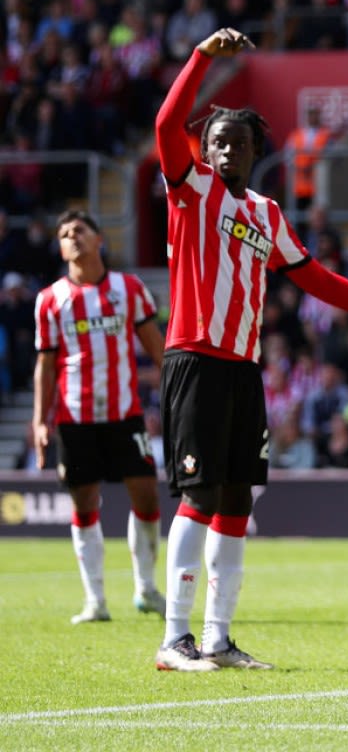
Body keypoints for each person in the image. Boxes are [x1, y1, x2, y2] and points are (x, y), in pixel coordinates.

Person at [153, 28, 348, 672]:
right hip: (194, 359)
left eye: (237, 143)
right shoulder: (189, 191)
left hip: (243, 369)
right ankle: (174, 639)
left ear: (254, 151)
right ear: (204, 151)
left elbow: (317, 280)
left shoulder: (267, 214)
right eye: (216, 142)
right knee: (201, 495)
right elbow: (164, 125)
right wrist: (203, 60)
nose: (226, 150)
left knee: (238, 500)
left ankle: (217, 638)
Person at [32, 210, 167, 625]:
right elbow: (47, 365)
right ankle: (96, 601)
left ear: (99, 239)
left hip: (125, 414)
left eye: (79, 231)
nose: (72, 238)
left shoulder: (129, 289)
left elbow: (156, 348)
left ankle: (145, 588)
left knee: (146, 497)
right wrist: (41, 420)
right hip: (75, 418)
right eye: (64, 234)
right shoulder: (50, 299)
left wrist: (177, 395)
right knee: (84, 502)